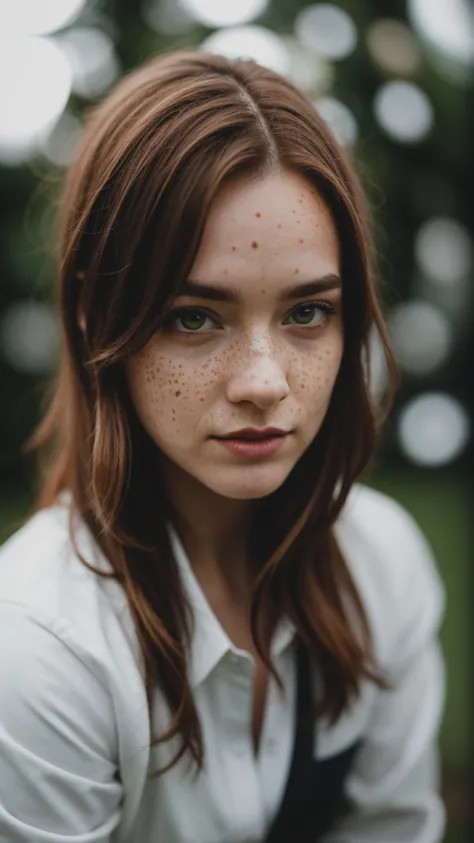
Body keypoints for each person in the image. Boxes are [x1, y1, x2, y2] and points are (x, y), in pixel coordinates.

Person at [0, 48, 446, 843]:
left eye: (308, 312)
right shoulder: (38, 649)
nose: (264, 382)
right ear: (97, 323)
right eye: (194, 316)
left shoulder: (384, 567)